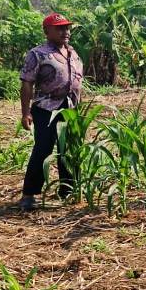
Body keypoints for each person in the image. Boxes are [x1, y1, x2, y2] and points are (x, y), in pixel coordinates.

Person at [17, 13, 84, 211]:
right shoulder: (38, 54)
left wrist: (80, 108)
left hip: (70, 108)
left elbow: (78, 84)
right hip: (46, 109)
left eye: (67, 28)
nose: (66, 32)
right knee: (43, 149)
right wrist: (25, 112)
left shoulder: (73, 52)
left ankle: (68, 191)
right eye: (60, 28)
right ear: (47, 32)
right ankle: (29, 194)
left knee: (69, 150)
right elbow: (27, 83)